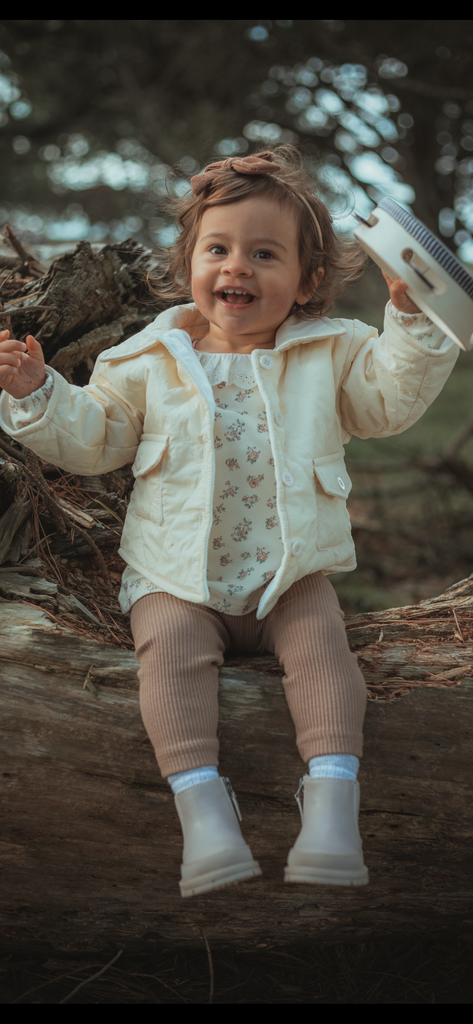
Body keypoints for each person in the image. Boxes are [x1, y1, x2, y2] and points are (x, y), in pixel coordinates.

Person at [0, 147, 458, 898]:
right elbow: (97, 439)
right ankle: (203, 808)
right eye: (218, 249)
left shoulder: (332, 350)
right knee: (170, 656)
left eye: (264, 253)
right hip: (176, 576)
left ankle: (333, 803)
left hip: (290, 572)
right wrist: (40, 393)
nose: (236, 268)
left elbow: (387, 404)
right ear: (189, 264)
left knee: (323, 656)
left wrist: (408, 323)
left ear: (307, 280)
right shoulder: (146, 359)